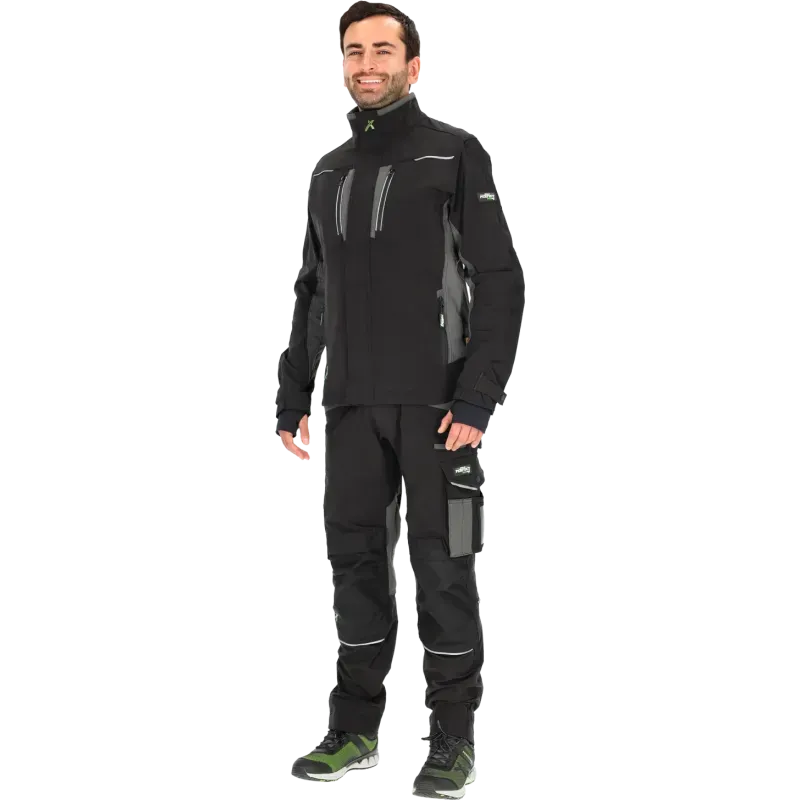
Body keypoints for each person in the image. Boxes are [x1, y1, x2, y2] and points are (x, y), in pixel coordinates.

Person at [276, 2, 524, 796]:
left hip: (438, 407)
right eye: (354, 51)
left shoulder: (454, 155)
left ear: (411, 66)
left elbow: (499, 280)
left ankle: (451, 740)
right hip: (348, 405)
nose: (367, 64)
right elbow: (311, 290)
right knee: (354, 567)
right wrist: (292, 396)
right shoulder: (328, 170)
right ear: (343, 65)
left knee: (445, 569)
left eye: (383, 50)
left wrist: (478, 398)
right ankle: (354, 730)